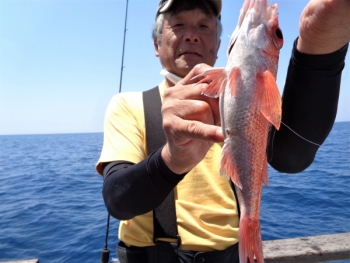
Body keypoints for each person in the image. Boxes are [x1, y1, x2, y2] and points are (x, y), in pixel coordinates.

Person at [96, 0, 349, 262]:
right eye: (178, 24)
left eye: (204, 26)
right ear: (156, 44)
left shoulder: (247, 99)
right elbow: (118, 201)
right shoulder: (128, 105)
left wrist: (319, 47)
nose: (192, 34)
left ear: (220, 45)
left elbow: (293, 155)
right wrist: (171, 160)